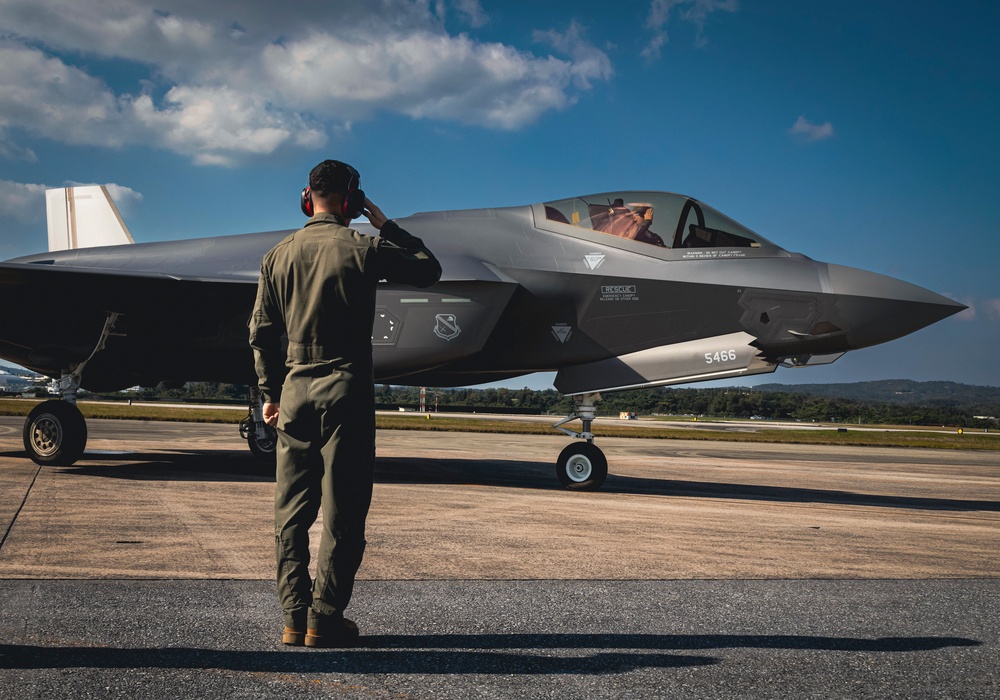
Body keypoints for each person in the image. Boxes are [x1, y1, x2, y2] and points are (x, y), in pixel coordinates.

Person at [248, 159, 441, 648]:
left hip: (294, 393)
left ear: (306, 197)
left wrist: (270, 393)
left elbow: (261, 334)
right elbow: (428, 269)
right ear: (352, 200)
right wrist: (387, 225)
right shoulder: (366, 248)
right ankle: (325, 617)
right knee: (343, 509)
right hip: (346, 390)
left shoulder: (276, 256)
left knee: (290, 511)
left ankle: (294, 617)